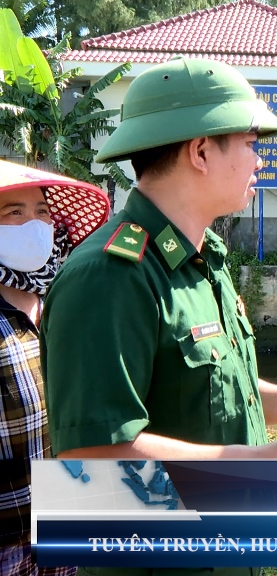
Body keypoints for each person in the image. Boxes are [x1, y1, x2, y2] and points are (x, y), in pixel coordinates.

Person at [39, 57, 277, 576]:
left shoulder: (203, 258)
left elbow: (217, 391)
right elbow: (89, 454)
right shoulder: (110, 276)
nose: (259, 159)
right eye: (250, 142)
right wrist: (262, 462)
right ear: (201, 150)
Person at [0, 160, 110, 576]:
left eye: (43, 212)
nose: (35, 224)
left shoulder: (63, 306)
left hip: (64, 523)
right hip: (8, 541)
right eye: (15, 213)